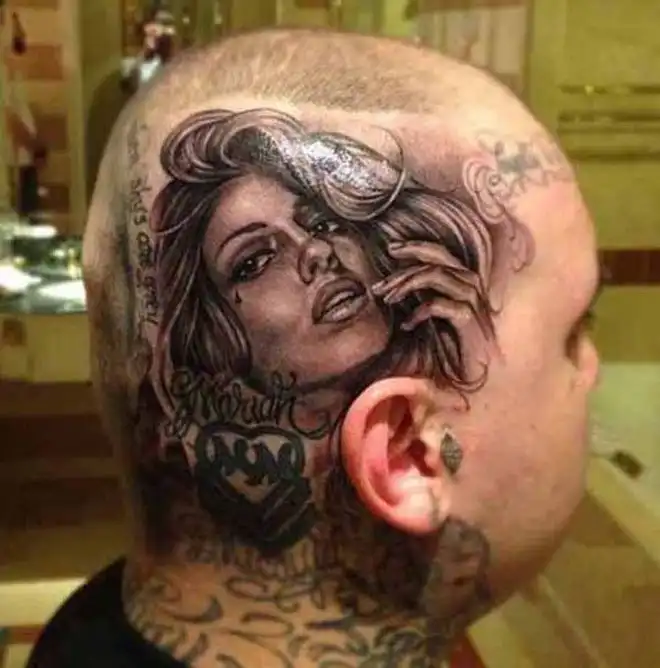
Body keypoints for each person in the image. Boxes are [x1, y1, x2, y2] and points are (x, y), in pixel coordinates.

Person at [28, 28, 601, 667]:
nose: (315, 253)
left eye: (324, 222)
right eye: (255, 259)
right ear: (407, 453)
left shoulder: (84, 634)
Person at [1, 9, 47, 221]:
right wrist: (34, 146)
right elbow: (8, 117)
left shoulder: (12, 71)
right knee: (24, 219)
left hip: (26, 159)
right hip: (18, 162)